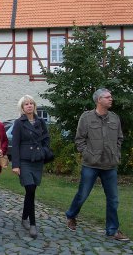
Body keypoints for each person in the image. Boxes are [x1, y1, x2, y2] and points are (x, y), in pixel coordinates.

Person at [65, 88, 129, 241]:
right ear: (98, 100)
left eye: (110, 96)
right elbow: (79, 140)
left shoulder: (115, 118)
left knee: (113, 199)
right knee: (82, 195)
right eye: (107, 97)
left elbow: (120, 138)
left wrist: (116, 153)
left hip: (110, 166)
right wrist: (88, 154)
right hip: (91, 164)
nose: (111, 99)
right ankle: (71, 215)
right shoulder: (86, 118)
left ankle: (112, 230)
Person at [11, 95, 49, 238]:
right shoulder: (19, 123)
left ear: (34, 106)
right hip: (25, 161)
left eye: (31, 103)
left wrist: (44, 151)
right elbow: (15, 145)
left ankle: (24, 217)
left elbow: (46, 138)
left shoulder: (40, 121)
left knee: (31, 191)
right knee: (30, 188)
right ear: (22, 107)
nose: (29, 106)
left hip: (37, 161)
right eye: (26, 104)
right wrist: (15, 165)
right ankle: (32, 224)